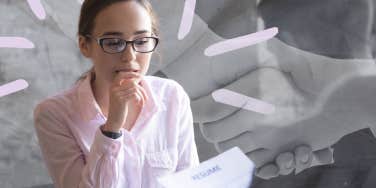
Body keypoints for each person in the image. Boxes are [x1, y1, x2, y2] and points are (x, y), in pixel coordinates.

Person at [33, 0, 199, 187]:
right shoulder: (54, 114)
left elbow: (192, 180)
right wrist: (111, 129)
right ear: (84, 45)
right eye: (113, 43)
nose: (130, 56)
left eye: (142, 41)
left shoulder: (172, 96)